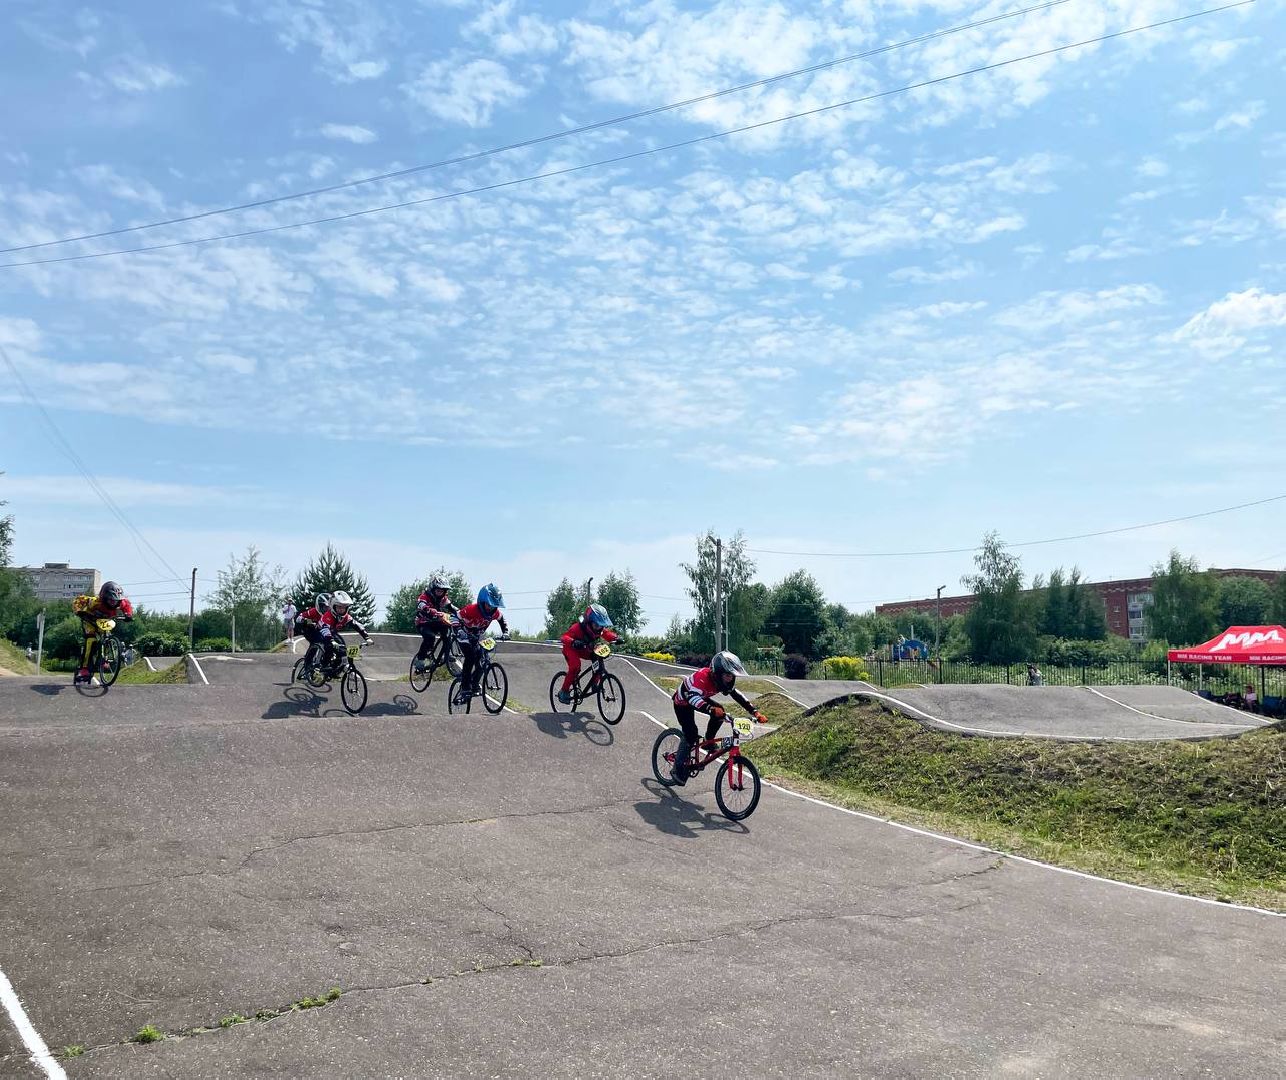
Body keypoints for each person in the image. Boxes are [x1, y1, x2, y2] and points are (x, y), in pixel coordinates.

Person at [670, 650, 766, 785]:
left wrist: (755, 712)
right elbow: (692, 698)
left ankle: (708, 741)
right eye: (727, 675)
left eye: (732, 676)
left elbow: (737, 696)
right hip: (683, 702)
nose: (730, 679)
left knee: (720, 711)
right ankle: (677, 769)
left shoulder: (721, 681)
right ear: (717, 673)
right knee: (691, 733)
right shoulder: (702, 677)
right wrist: (711, 709)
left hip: (700, 697)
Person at [454, 583, 509, 705]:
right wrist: (459, 630)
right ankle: (465, 687)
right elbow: (454, 617)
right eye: (488, 604)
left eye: (494, 605)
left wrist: (505, 632)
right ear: (482, 601)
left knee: (482, 660)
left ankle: (474, 684)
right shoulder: (471, 609)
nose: (490, 608)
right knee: (470, 657)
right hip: (464, 637)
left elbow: (502, 619)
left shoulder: (494, 613)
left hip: (476, 637)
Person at [71, 581, 134, 684]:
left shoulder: (121, 602)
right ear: (104, 597)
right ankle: (84, 668)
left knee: (107, 636)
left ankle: (104, 658)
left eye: (116, 601)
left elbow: (127, 605)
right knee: (91, 640)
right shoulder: (95, 602)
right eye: (111, 600)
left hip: (104, 622)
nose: (114, 603)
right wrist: (79, 611)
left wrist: (128, 614)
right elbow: (78, 600)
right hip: (90, 622)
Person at [557, 603, 618, 704]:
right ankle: (564, 691)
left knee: (598, 658)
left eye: (601, 625)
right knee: (575, 666)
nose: (599, 628)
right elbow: (564, 637)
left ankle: (595, 684)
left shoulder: (599, 629)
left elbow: (607, 634)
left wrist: (616, 638)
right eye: (596, 625)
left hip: (585, 649)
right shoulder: (577, 628)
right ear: (589, 622)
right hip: (571, 649)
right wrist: (573, 642)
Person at [412, 575, 460, 674]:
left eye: (442, 591)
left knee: (447, 631)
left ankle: (447, 653)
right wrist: (429, 610)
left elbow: (451, 607)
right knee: (430, 637)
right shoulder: (424, 596)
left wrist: (460, 613)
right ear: (433, 589)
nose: (440, 593)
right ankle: (420, 659)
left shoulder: (443, 599)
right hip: (423, 623)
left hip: (436, 622)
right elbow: (421, 605)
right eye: (438, 590)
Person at [318, 590, 371, 674]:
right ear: (333, 606)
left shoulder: (346, 617)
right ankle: (323, 668)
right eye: (339, 607)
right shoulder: (328, 616)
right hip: (322, 632)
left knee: (343, 650)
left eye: (344, 607)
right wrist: (331, 640)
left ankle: (336, 670)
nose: (342, 610)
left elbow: (356, 625)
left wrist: (366, 637)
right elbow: (325, 629)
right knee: (329, 648)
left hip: (333, 633)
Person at [294, 594, 331, 673]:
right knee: (316, 642)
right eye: (325, 607)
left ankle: (323, 661)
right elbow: (298, 618)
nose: (327, 610)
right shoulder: (313, 611)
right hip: (308, 630)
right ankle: (307, 664)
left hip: (319, 630)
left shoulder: (330, 615)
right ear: (320, 606)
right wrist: (309, 621)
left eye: (328, 608)